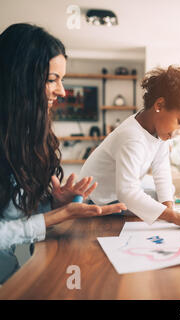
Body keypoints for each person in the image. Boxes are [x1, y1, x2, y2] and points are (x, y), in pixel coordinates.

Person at [0, 23, 126, 284]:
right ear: (19, 80)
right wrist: (55, 217)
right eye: (52, 80)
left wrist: (53, 205)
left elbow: (13, 215)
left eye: (62, 79)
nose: (62, 91)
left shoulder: (22, 137)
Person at [80, 64, 180, 227]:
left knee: (161, 198)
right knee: (151, 202)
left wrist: (170, 209)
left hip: (115, 195)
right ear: (159, 105)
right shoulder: (132, 137)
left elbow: (162, 171)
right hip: (97, 202)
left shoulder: (157, 130)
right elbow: (127, 192)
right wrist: (173, 217)